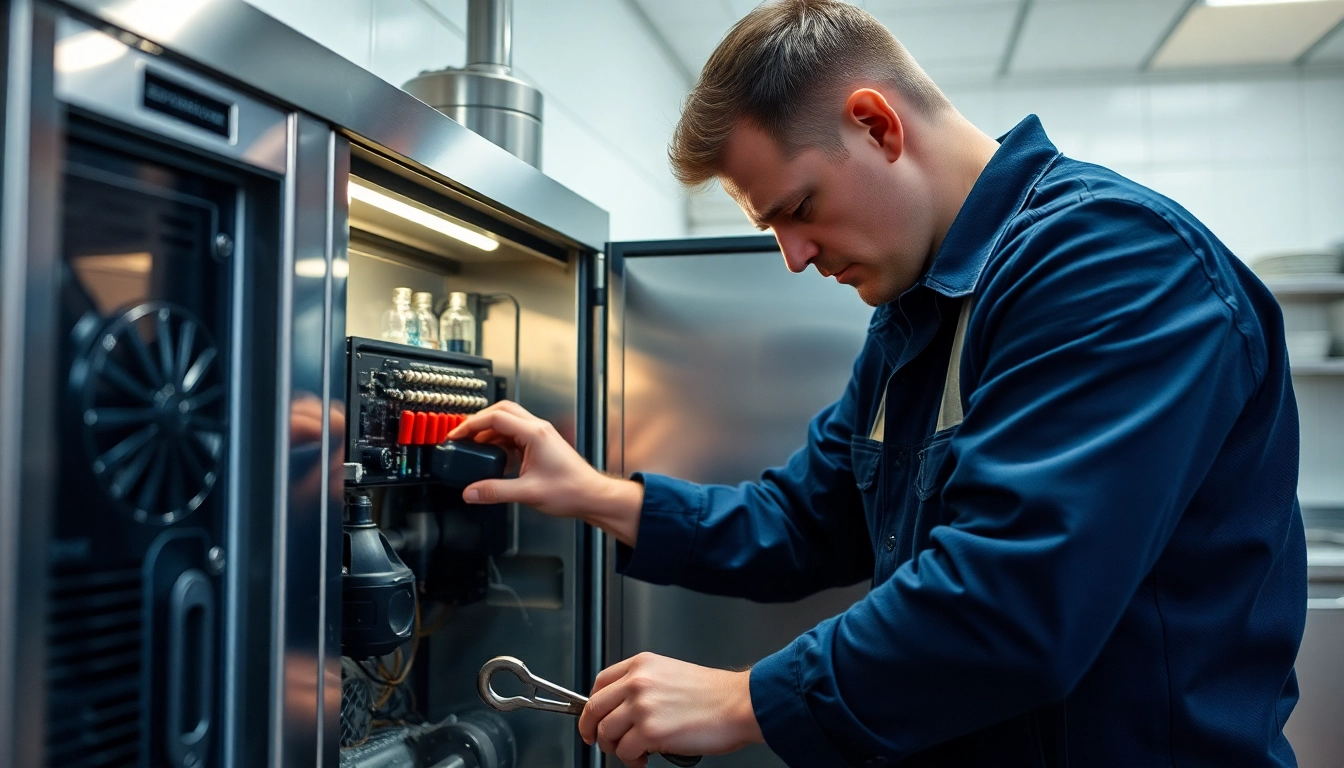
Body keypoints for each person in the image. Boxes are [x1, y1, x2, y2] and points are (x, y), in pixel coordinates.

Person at [449, 0, 1307, 765]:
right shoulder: (915, 319)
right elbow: (802, 521)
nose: (794, 256)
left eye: (797, 207)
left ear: (876, 125)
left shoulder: (1111, 264)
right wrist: (598, 495)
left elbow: (1016, 609)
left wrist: (742, 698)